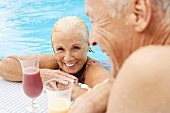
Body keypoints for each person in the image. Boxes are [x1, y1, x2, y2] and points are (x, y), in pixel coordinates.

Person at [69, 0, 170, 113]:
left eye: (94, 20)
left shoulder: (143, 67)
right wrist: (111, 87)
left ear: (139, 14)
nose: (92, 40)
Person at [0, 16, 112, 100]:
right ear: (53, 49)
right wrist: (40, 74)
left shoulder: (93, 69)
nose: (68, 58)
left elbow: (112, 95)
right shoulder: (53, 62)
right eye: (60, 49)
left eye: (76, 48)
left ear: (87, 46)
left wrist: (72, 91)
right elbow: (4, 65)